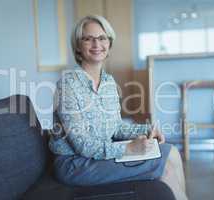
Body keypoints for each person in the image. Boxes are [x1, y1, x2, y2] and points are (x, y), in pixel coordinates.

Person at [49, 15, 188, 200]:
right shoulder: (68, 85)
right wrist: (129, 148)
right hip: (76, 165)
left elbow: (115, 127)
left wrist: (147, 130)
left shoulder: (108, 82)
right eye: (88, 38)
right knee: (165, 168)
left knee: (171, 152)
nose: (96, 44)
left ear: (109, 44)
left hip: (99, 155)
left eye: (102, 38)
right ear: (77, 46)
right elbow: (83, 146)